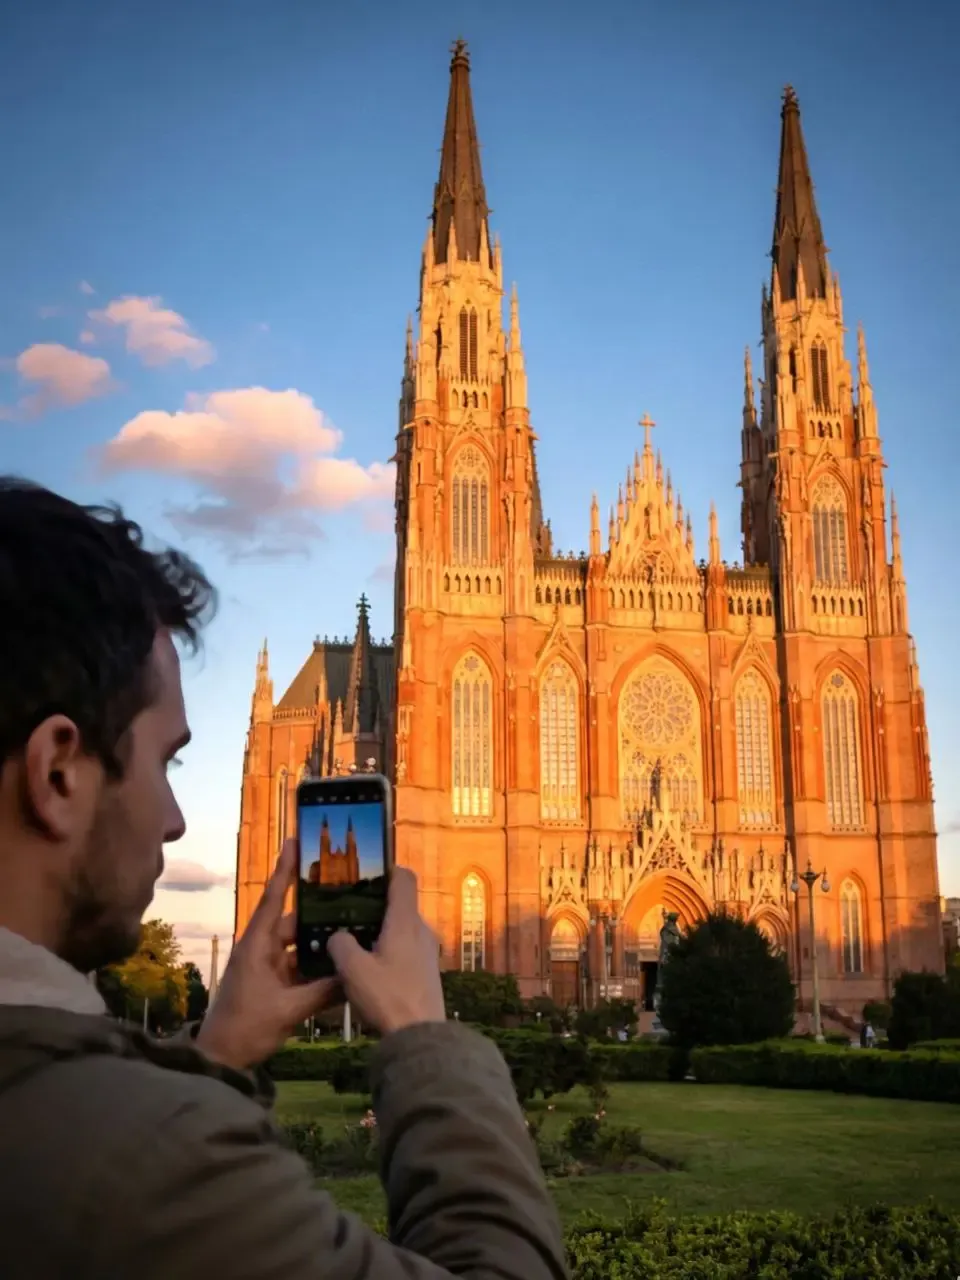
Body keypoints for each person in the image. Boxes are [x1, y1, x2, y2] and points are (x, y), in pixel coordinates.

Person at [0, 478, 568, 1280]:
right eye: (166, 764)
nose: (175, 818)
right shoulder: (140, 1167)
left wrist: (221, 1052)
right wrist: (423, 1040)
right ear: (58, 772)